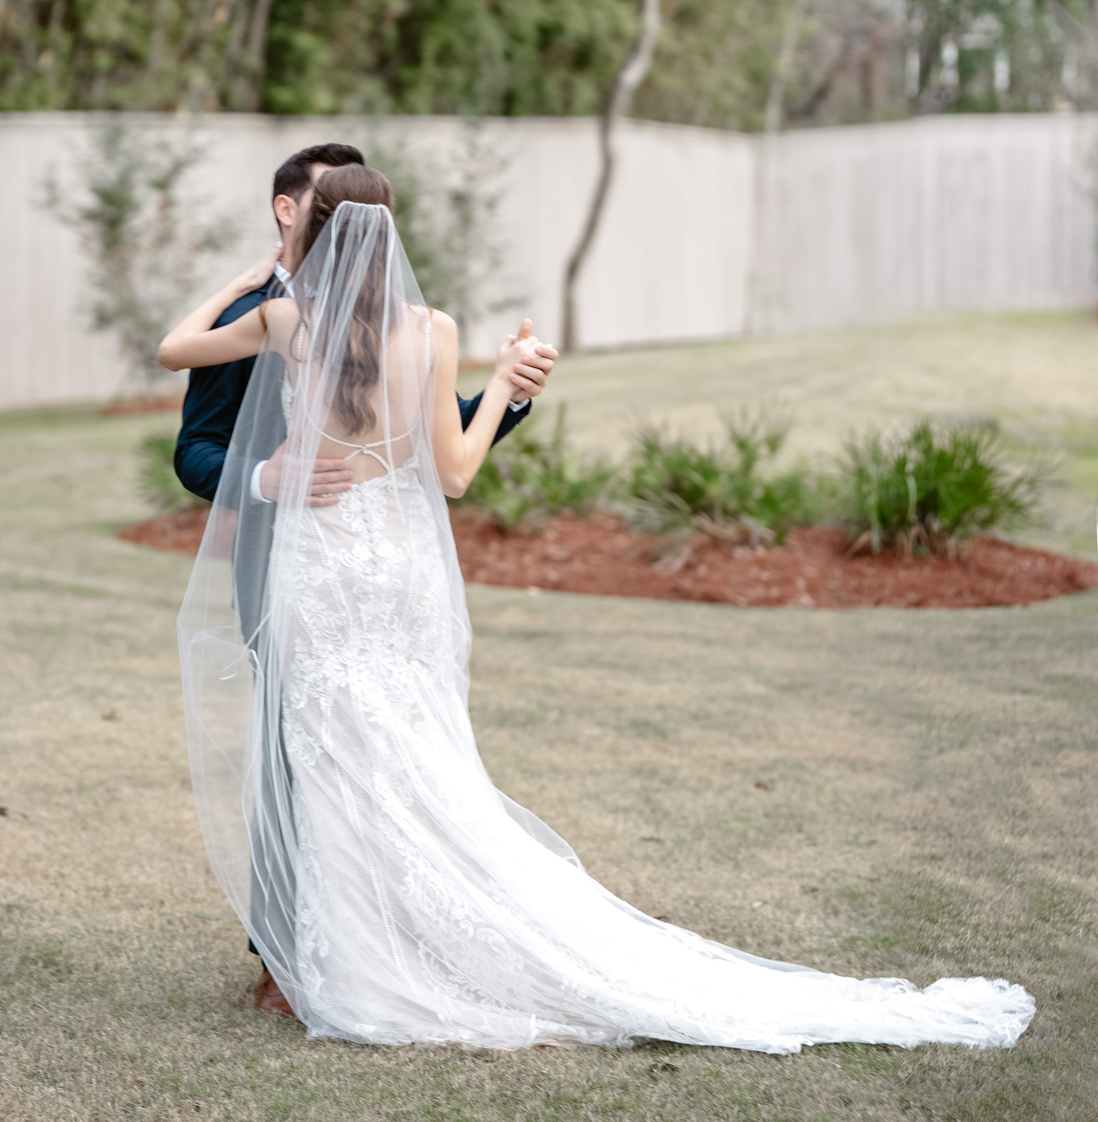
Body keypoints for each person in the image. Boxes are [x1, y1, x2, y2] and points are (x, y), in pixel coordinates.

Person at [163, 166, 1034, 1054]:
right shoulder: (431, 331)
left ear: (308, 227)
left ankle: (354, 960)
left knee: (335, 763)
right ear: (390, 235)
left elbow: (173, 349)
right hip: (402, 570)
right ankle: (404, 939)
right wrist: (503, 383)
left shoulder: (284, 322)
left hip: (325, 561)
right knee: (419, 755)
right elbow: (455, 475)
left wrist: (238, 284)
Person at [173, 143, 555, 1014]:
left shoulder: (302, 321)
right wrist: (267, 474)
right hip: (346, 556)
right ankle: (295, 951)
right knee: (326, 758)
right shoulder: (388, 324)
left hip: (334, 561)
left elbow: (426, 434)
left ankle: (376, 948)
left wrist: (512, 398)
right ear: (286, 210)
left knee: (361, 752)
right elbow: (196, 450)